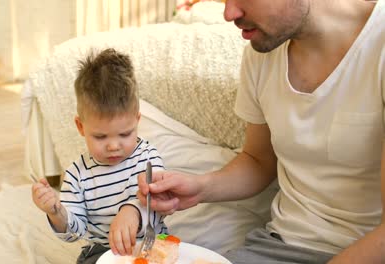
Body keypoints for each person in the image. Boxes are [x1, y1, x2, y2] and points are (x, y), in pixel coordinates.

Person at [137, 0, 385, 263]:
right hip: (278, 246)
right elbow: (258, 160)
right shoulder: (262, 55)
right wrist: (199, 187)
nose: (229, 13)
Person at [31, 48, 167, 264]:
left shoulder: (148, 157)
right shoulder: (77, 175)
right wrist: (56, 212)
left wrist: (132, 211)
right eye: (100, 136)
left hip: (153, 244)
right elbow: (75, 232)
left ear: (137, 120)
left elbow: (159, 204)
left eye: (125, 134)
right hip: (103, 250)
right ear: (81, 126)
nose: (114, 146)